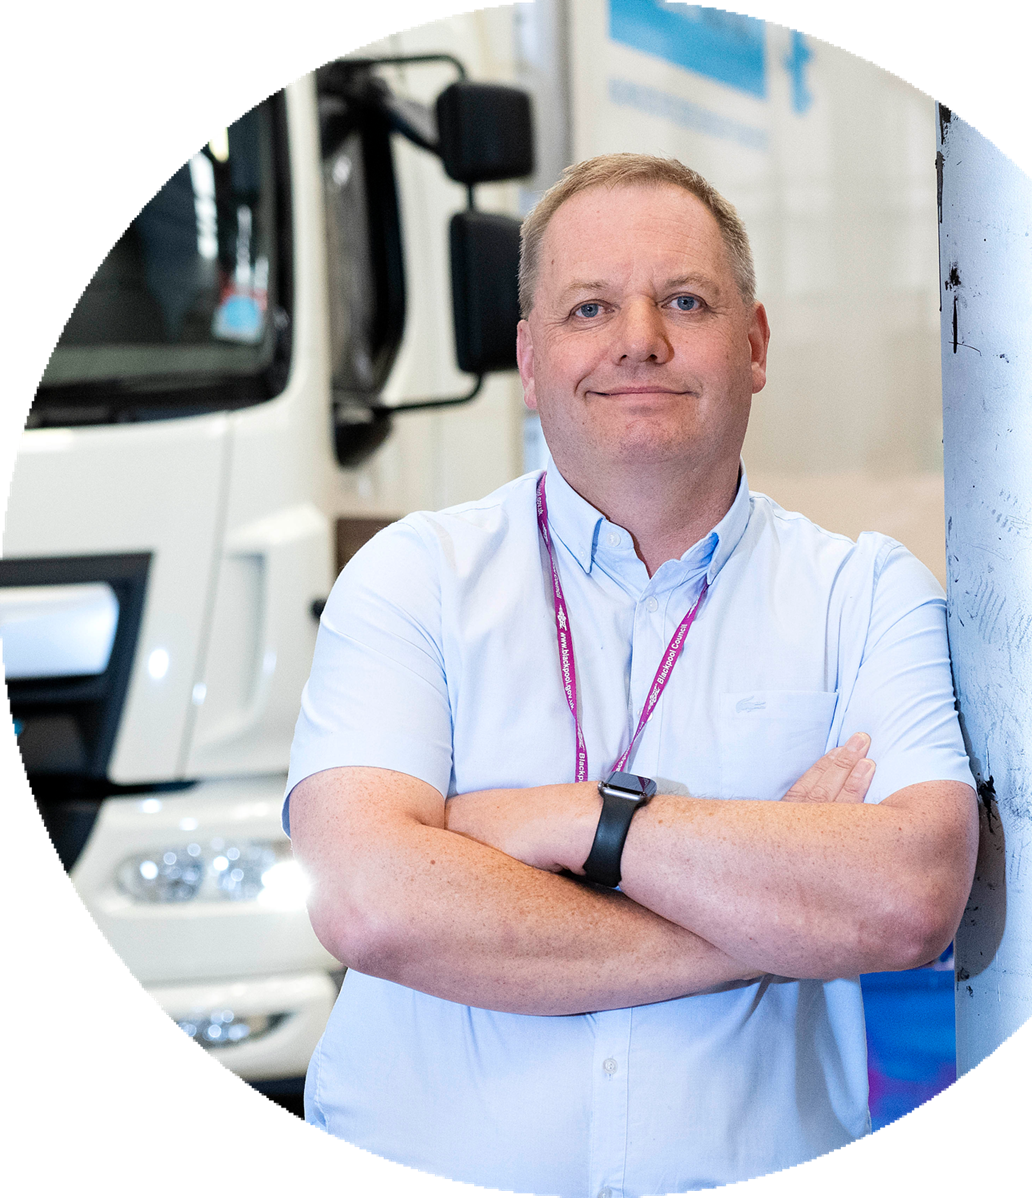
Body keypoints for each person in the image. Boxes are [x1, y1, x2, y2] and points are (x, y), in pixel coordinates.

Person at [285, 154, 979, 1194]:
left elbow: (909, 898)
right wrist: (773, 924)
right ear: (530, 360)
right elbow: (367, 900)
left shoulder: (867, 594)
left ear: (754, 345)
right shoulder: (412, 579)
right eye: (590, 308)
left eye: (685, 301)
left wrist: (570, 821)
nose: (639, 338)